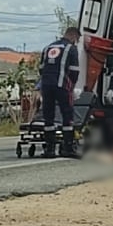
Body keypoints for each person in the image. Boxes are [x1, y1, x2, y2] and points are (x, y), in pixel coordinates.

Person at [38, 26, 80, 157]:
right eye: (77, 39)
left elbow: (41, 69)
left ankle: (49, 149)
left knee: (48, 117)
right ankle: (67, 148)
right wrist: (72, 87)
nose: (76, 41)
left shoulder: (48, 48)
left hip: (46, 86)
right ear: (73, 36)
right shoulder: (71, 49)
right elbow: (74, 71)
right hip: (63, 86)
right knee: (67, 116)